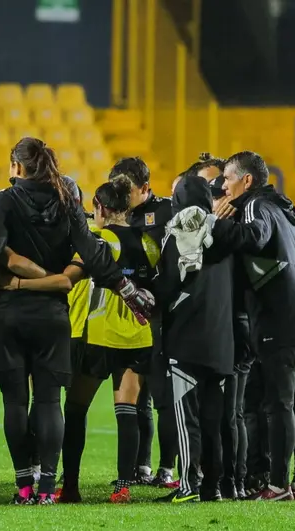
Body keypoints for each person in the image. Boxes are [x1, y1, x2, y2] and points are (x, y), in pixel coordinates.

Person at [0, 138, 155, 505]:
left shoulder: (5, 201)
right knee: (48, 402)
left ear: (17, 166)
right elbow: (92, 252)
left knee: (13, 401)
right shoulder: (67, 202)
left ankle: (24, 487)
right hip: (53, 314)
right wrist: (127, 289)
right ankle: (45, 490)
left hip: (9, 312)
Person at [210, 151, 295, 501]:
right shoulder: (282, 208)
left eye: (227, 179)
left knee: (279, 406)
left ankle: (277, 486)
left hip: (278, 319)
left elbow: (255, 238)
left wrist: (217, 222)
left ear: (247, 180)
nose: (223, 186)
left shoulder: (256, 205)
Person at [57, 178, 156, 505]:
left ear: (99, 208)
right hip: (138, 335)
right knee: (127, 408)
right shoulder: (147, 242)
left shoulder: (99, 241)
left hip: (99, 335)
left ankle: (70, 487)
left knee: (76, 409)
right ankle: (123, 488)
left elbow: (74, 275)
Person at [154, 175, 236, 503]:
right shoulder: (226, 235)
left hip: (187, 338)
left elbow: (168, 285)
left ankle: (188, 486)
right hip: (221, 341)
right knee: (214, 422)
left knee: (187, 419)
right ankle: (212, 487)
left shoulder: (178, 234)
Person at [109, 157, 172, 487]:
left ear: (145, 188)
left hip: (160, 314)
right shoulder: (117, 215)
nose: (121, 194)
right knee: (136, 396)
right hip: (125, 316)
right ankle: (140, 466)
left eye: (127, 189)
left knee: (161, 394)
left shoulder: (167, 212)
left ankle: (168, 467)